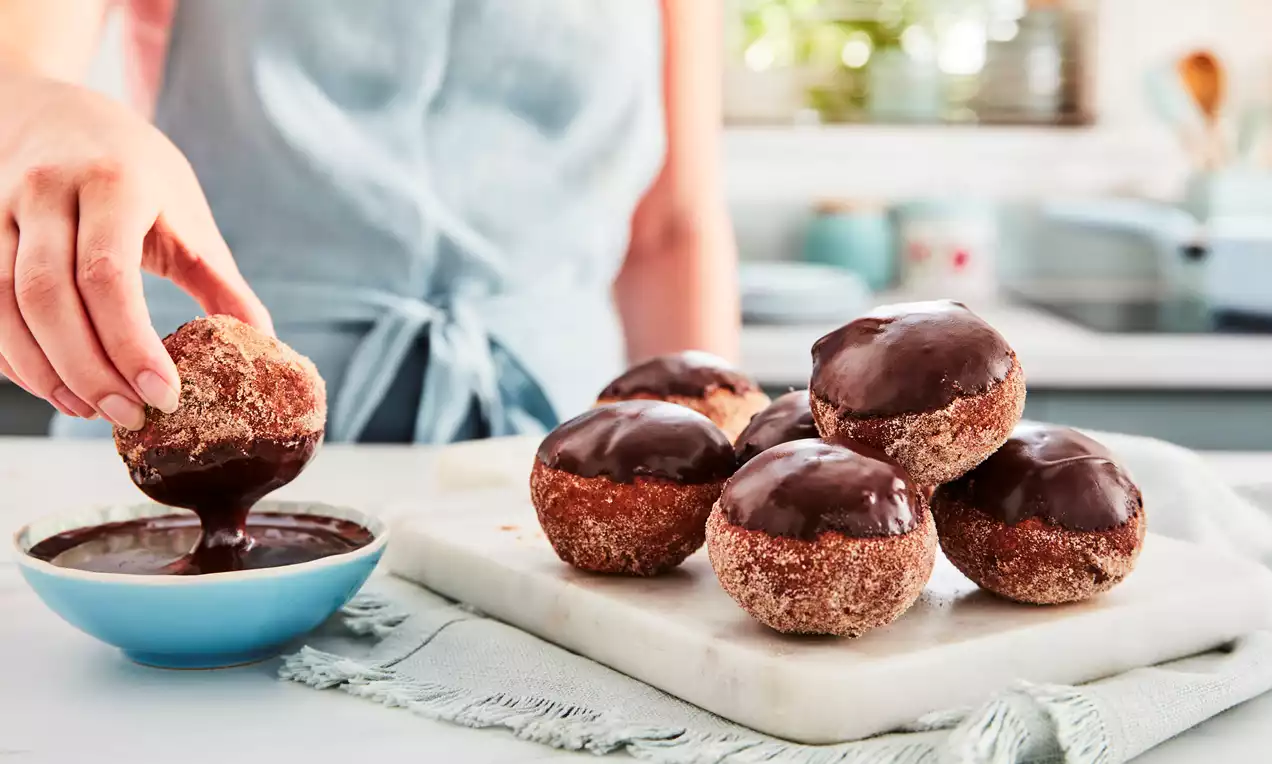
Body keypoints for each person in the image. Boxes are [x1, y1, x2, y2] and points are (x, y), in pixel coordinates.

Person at [0, 0, 740, 444]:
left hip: (555, 440)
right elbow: (17, 61)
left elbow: (670, 229)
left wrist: (714, 454)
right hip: (192, 416)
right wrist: (39, 114)